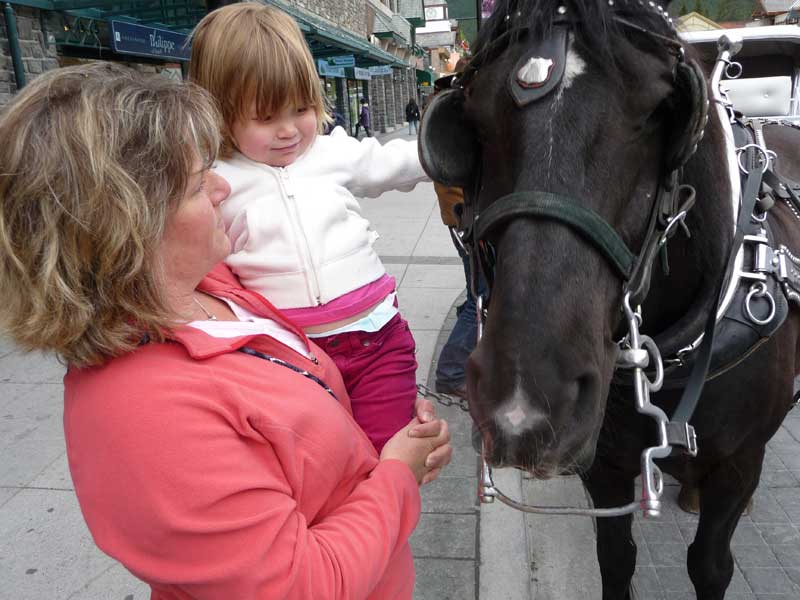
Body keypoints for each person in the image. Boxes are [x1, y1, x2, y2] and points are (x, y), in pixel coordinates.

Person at [0, 62, 451, 599]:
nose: (221, 187)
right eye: (197, 183)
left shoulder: (212, 285)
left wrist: (386, 436)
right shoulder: (143, 413)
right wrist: (397, 475)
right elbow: (298, 586)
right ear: (127, 226)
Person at [189, 3, 428, 453]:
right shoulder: (217, 181)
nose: (288, 131)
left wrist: (446, 152)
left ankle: (387, 515)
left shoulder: (329, 152)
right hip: (291, 355)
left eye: (300, 109)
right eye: (265, 118)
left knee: (386, 453)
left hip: (377, 336)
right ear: (221, 114)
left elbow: (389, 163)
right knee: (323, 461)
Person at [431, 67, 488, 400]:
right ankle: (451, 372)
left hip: (466, 219)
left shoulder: (444, 111)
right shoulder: (454, 119)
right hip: (471, 221)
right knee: (480, 297)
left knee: (476, 293)